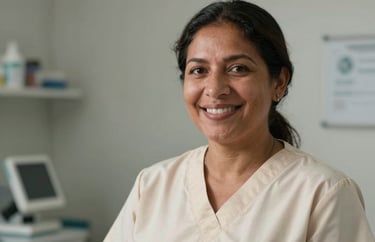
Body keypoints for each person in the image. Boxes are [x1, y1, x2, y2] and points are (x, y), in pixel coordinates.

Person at [104, 1, 375, 241]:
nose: (214, 88)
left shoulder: (323, 193)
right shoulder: (152, 185)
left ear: (278, 83)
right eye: (198, 70)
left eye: (238, 69)